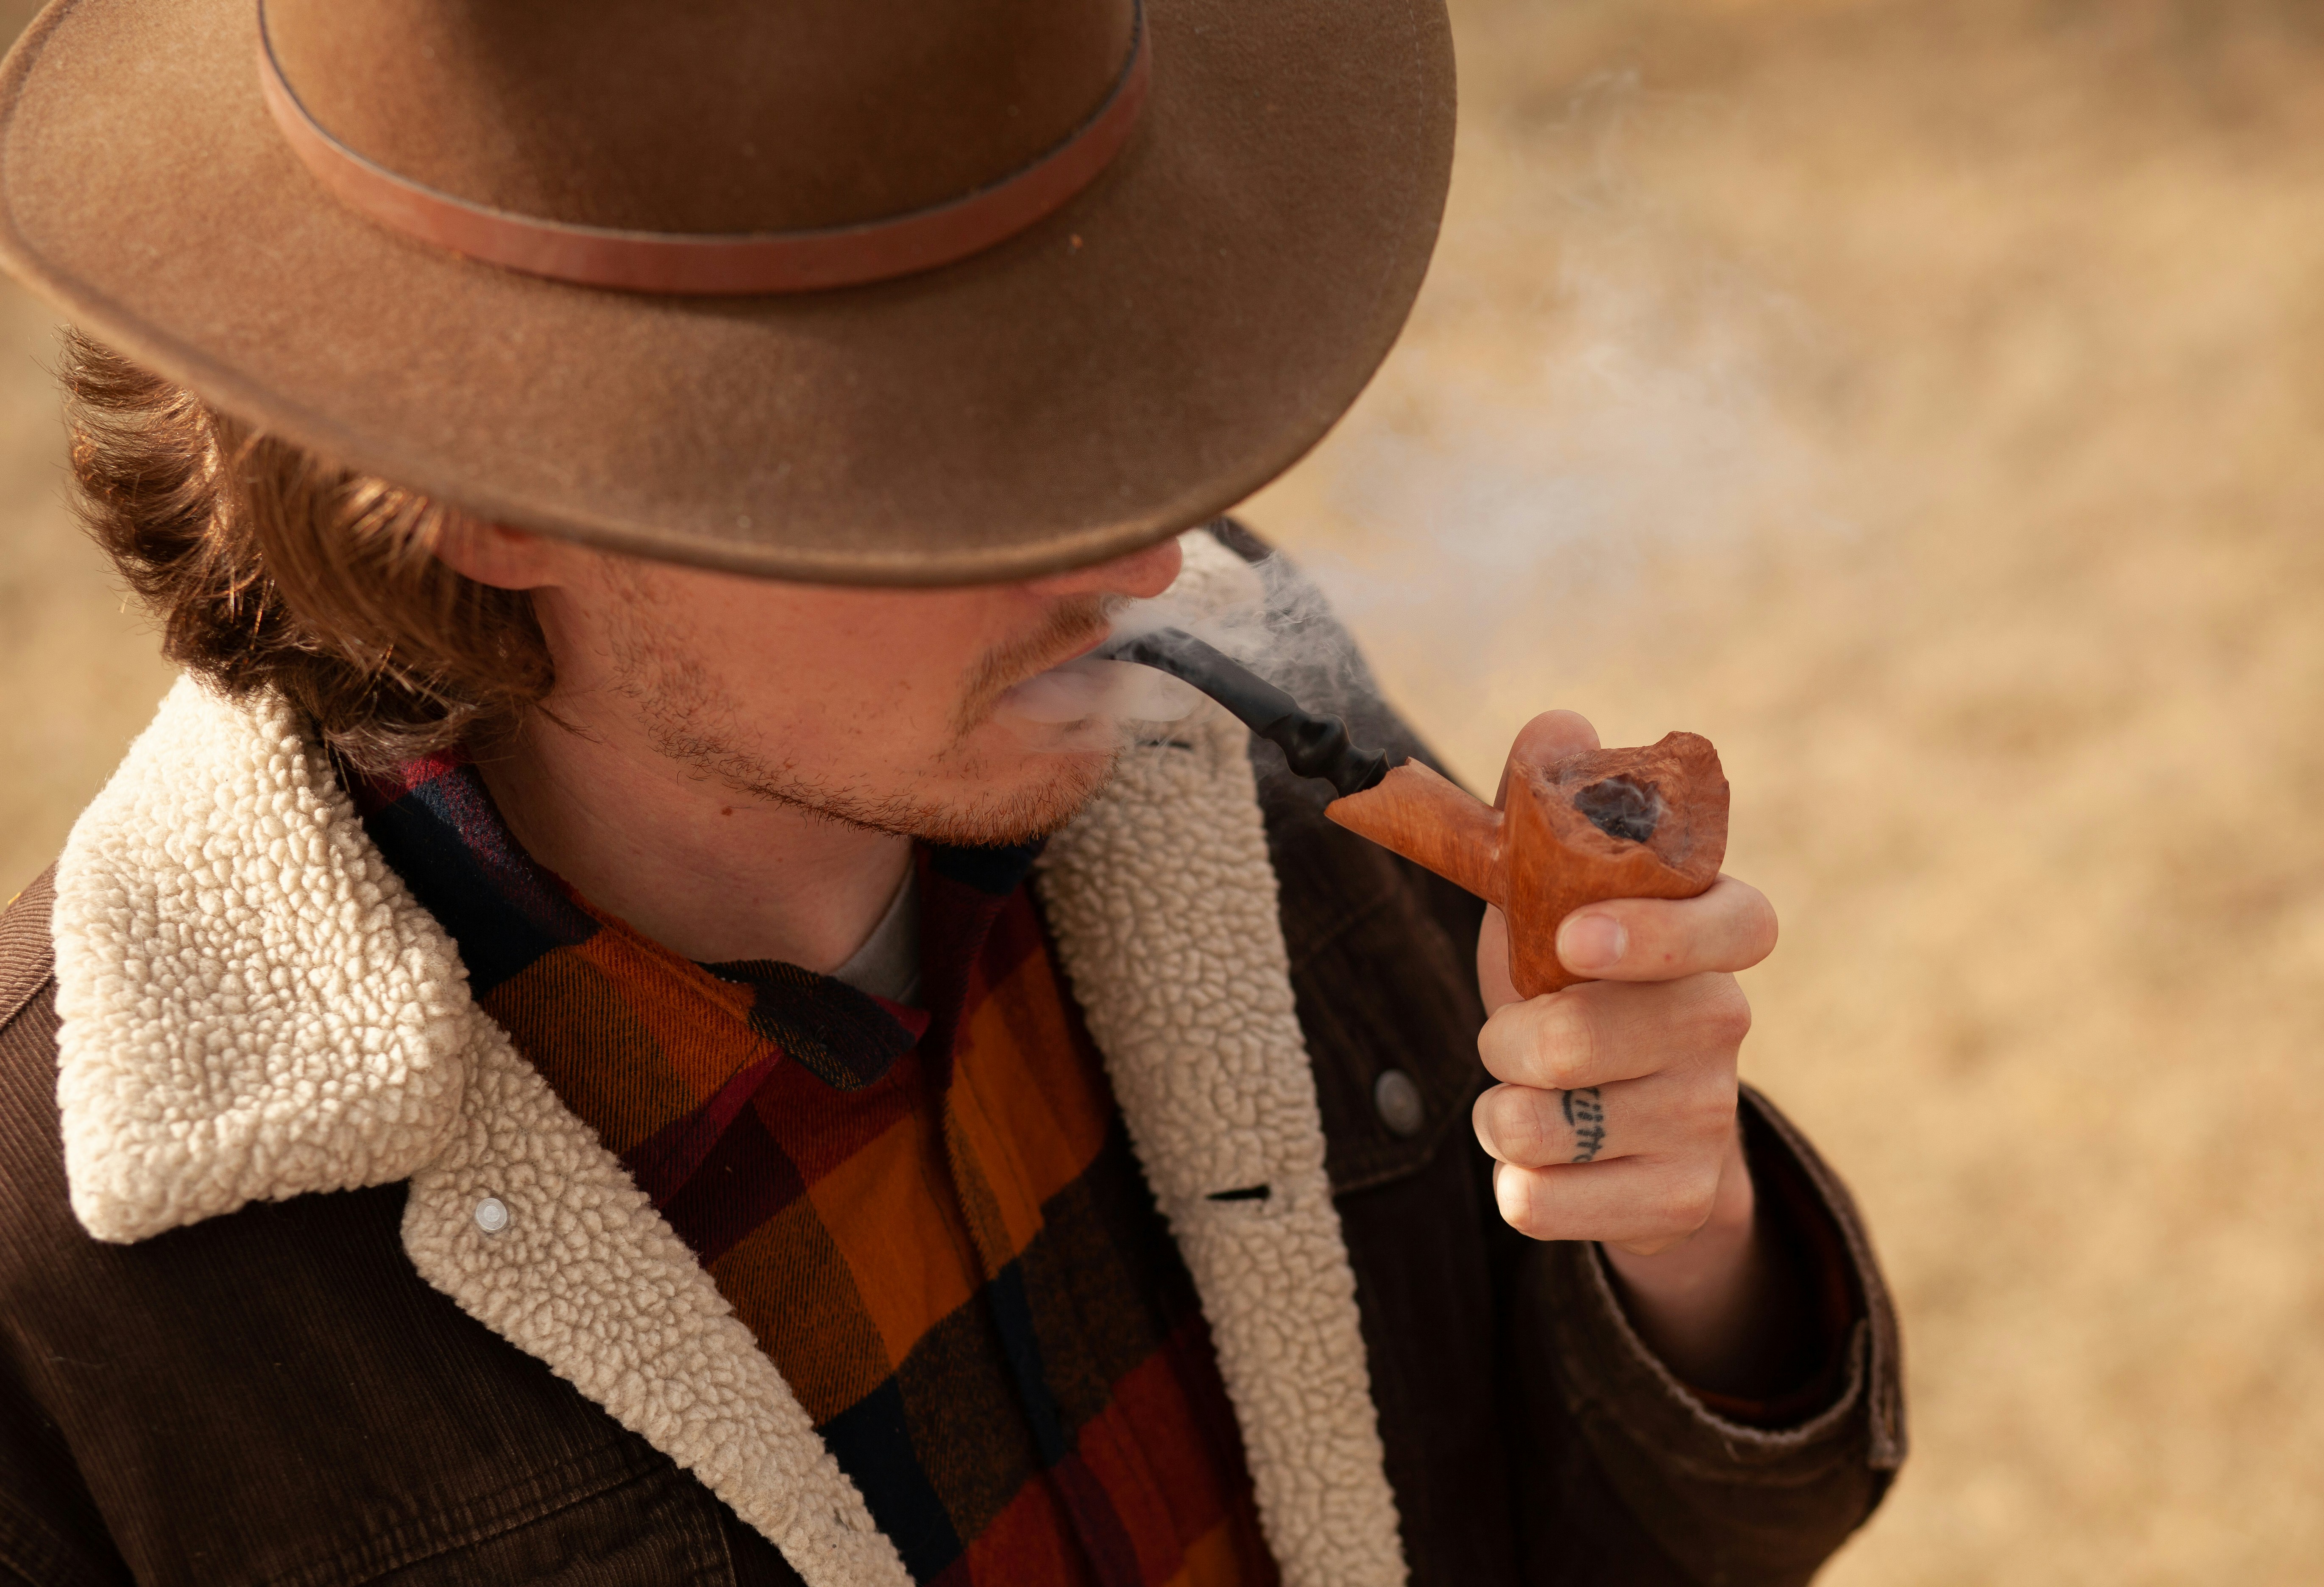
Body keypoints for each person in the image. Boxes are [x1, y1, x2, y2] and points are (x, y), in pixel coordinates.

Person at [0, 2, 1903, 1583]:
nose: (1146, 560)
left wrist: (1673, 1235)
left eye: (1100, 373)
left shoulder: (1244, 757)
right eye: (952, 463)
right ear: (476, 487)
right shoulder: (73, 1308)